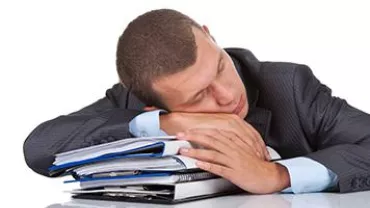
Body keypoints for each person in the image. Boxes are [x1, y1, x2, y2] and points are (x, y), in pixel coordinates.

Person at [23, 9, 370, 194]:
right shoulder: (132, 99)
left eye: (220, 67)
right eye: (199, 96)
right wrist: (167, 124)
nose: (228, 95)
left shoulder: (289, 86)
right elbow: (40, 148)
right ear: (153, 103)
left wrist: (278, 175)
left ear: (210, 35)